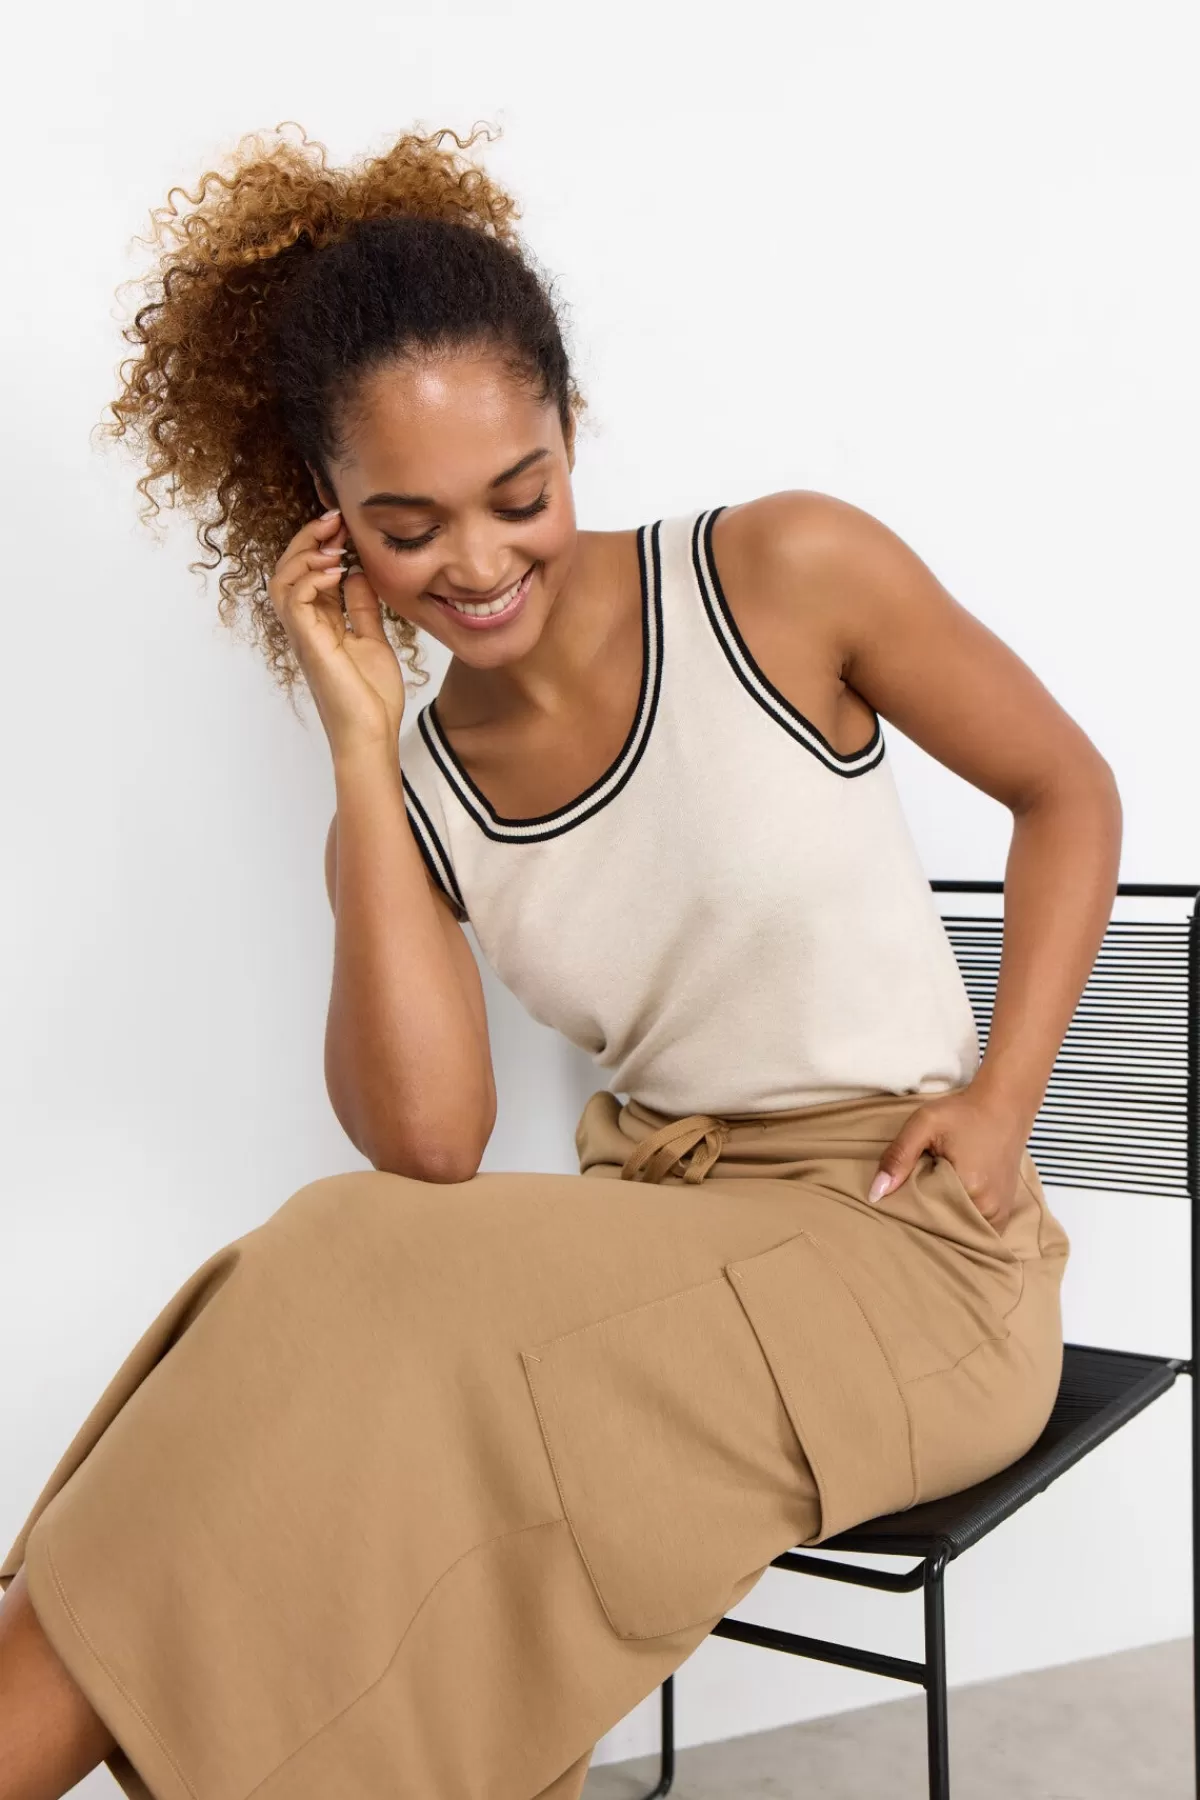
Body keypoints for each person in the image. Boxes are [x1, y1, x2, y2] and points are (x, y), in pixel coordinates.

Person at [0, 122, 1120, 1800]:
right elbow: (431, 1144)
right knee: (340, 1307)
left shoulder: (783, 575)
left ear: (573, 430)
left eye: (519, 496)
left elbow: (1067, 791)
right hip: (671, 1246)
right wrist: (360, 751)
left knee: (344, 1287)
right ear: (330, 524)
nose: (476, 562)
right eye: (406, 527)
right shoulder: (414, 797)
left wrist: (1006, 1100)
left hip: (914, 1251)